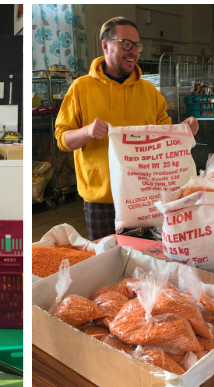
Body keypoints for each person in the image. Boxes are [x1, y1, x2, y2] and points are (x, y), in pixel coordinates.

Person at [55, 16, 199, 240]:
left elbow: (163, 138)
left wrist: (183, 131)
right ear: (106, 45)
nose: (133, 51)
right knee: (106, 263)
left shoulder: (150, 92)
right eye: (126, 44)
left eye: (137, 45)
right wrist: (87, 131)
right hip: (101, 200)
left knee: (148, 260)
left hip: (145, 198)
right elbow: (62, 139)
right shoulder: (80, 89)